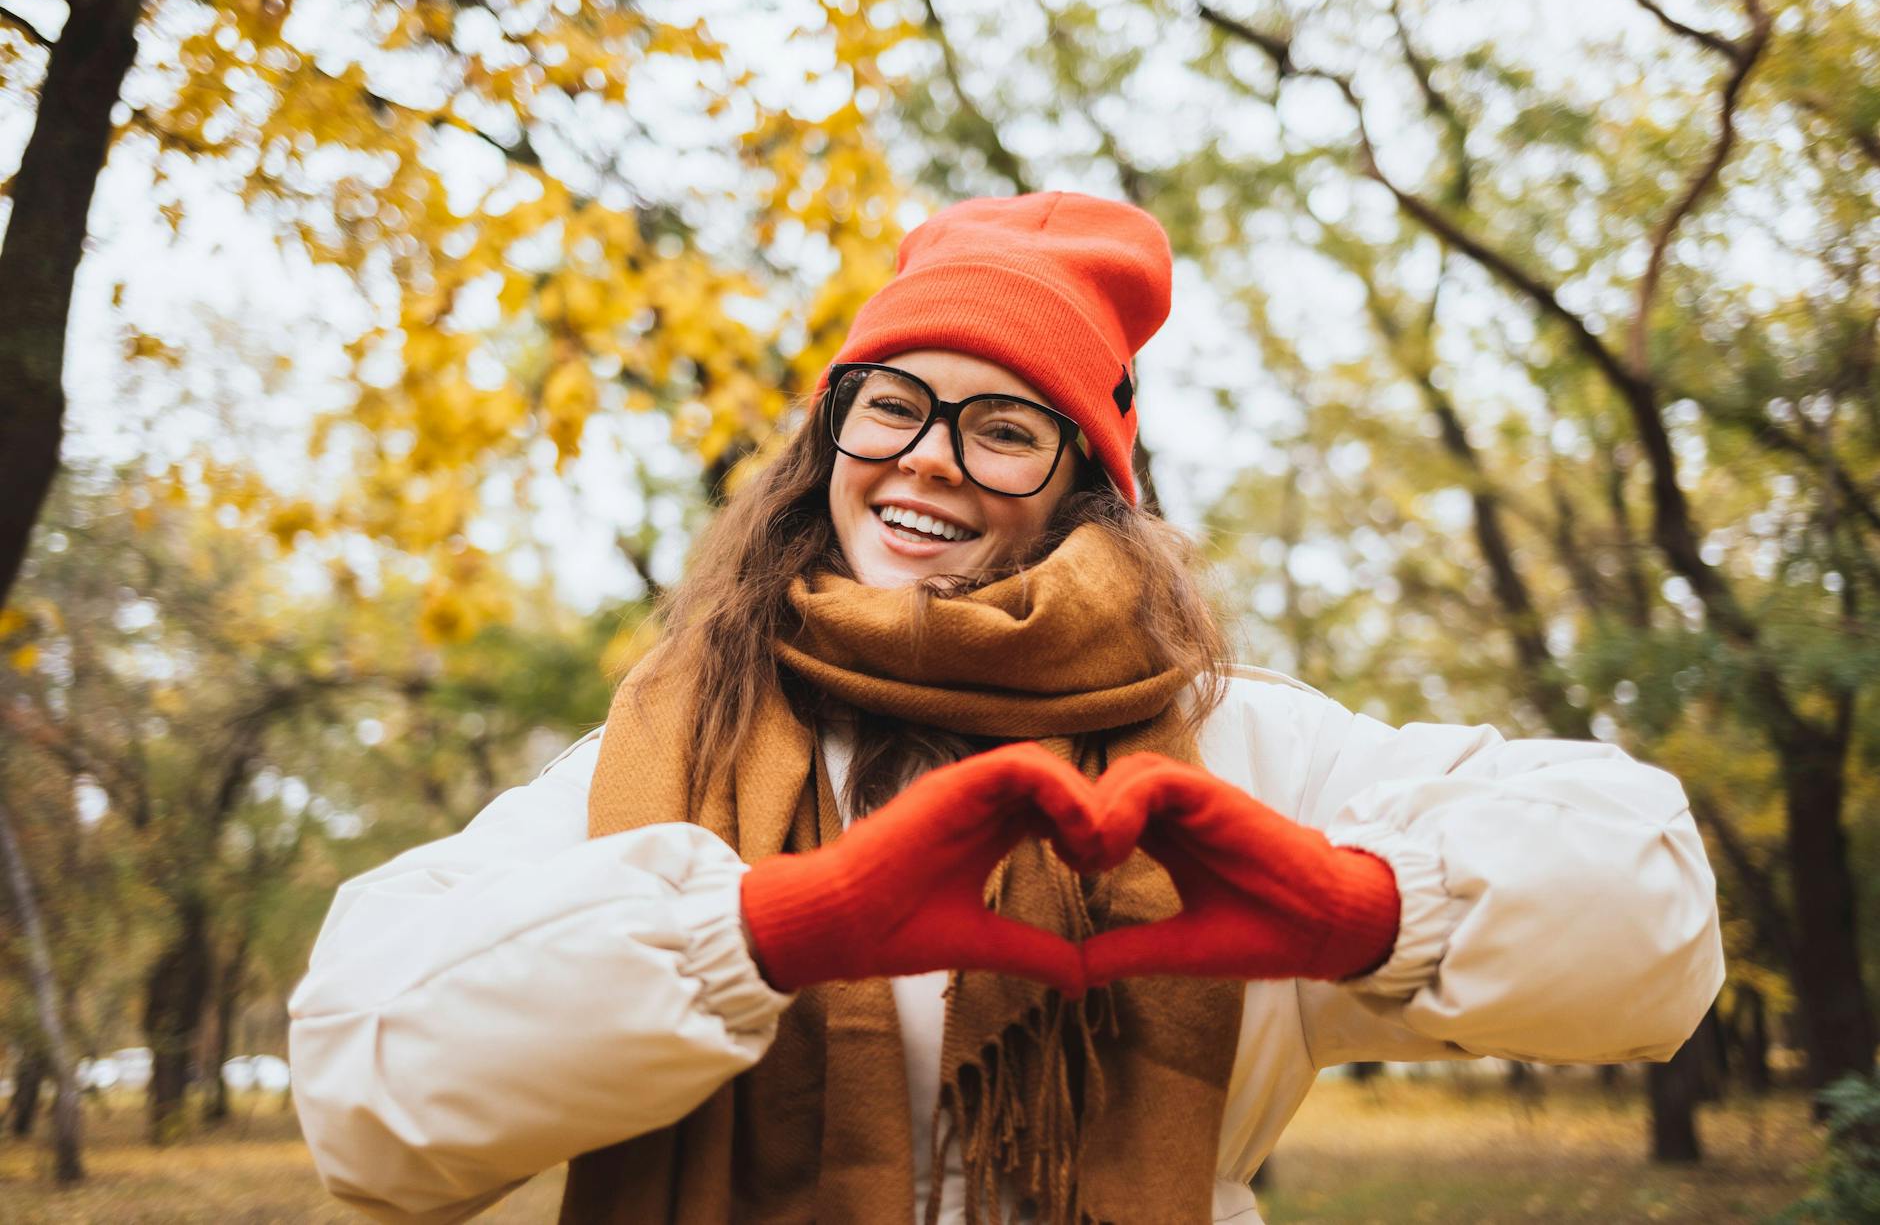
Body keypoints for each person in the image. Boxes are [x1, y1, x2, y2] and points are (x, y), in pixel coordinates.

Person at [287, 192, 1725, 1225]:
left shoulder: (1239, 743)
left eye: (1005, 424)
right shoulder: (674, 746)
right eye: (893, 403)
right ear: (830, 434)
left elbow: (1658, 924)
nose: (930, 460)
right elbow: (369, 1103)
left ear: (1087, 484)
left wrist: (1368, 910)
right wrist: (765, 931)